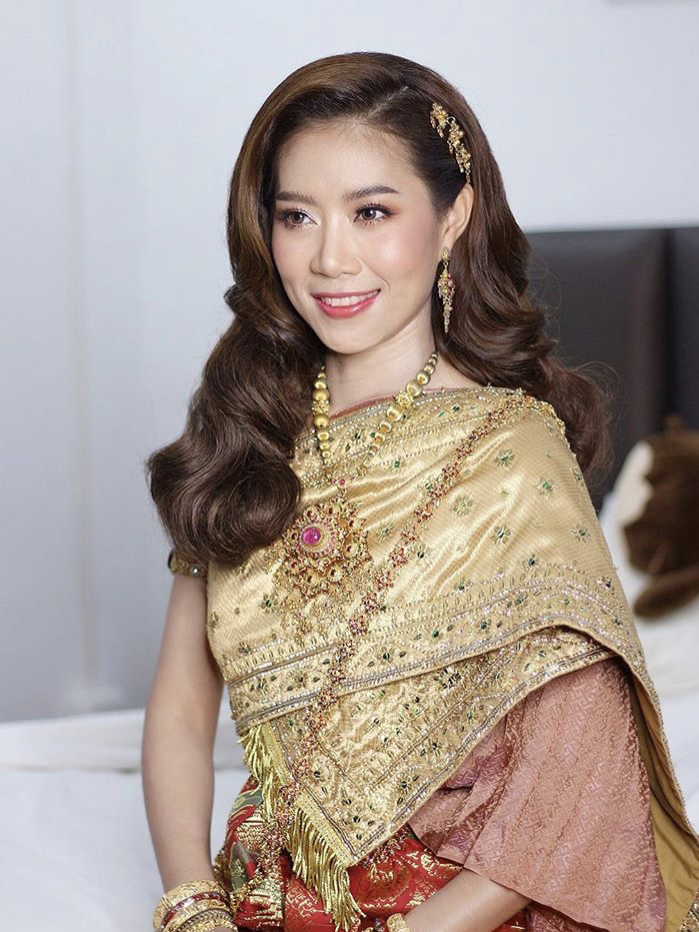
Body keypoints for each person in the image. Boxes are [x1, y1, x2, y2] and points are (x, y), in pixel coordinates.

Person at [141, 51, 699, 932]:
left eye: (372, 212)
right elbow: (180, 703)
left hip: (458, 907)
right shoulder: (245, 430)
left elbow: (575, 765)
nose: (330, 258)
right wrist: (190, 903)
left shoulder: (509, 448)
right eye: (296, 216)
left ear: (452, 219)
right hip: (264, 897)